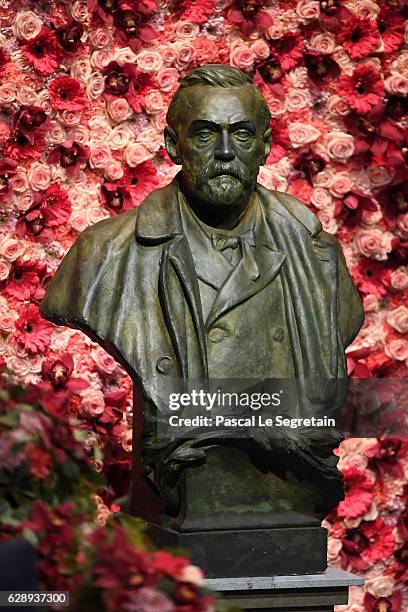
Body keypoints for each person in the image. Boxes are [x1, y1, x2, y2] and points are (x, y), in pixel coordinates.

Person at [40, 64, 364, 516]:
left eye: (243, 135)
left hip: (286, 500)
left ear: (266, 147)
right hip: (182, 503)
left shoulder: (315, 254)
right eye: (206, 134)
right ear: (174, 145)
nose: (227, 152)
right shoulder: (105, 254)